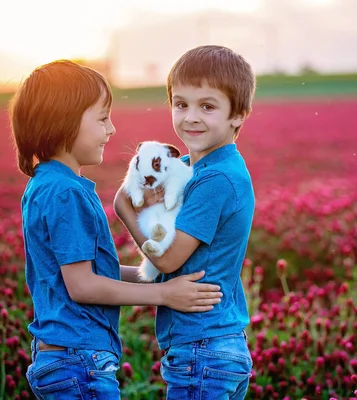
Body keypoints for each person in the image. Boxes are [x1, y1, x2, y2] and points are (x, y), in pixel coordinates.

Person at [9, 59, 223, 400]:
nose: (111, 130)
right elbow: (82, 286)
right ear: (63, 121)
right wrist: (163, 295)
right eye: (102, 117)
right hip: (77, 360)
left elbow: (88, 272)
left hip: (63, 356)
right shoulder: (66, 193)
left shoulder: (46, 184)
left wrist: (155, 276)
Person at [114, 45, 256, 400]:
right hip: (215, 346)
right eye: (181, 104)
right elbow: (181, 270)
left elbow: (168, 259)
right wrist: (106, 274)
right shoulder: (204, 172)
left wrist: (124, 206)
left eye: (207, 106)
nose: (191, 116)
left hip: (201, 347)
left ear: (238, 114)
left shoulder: (214, 180)